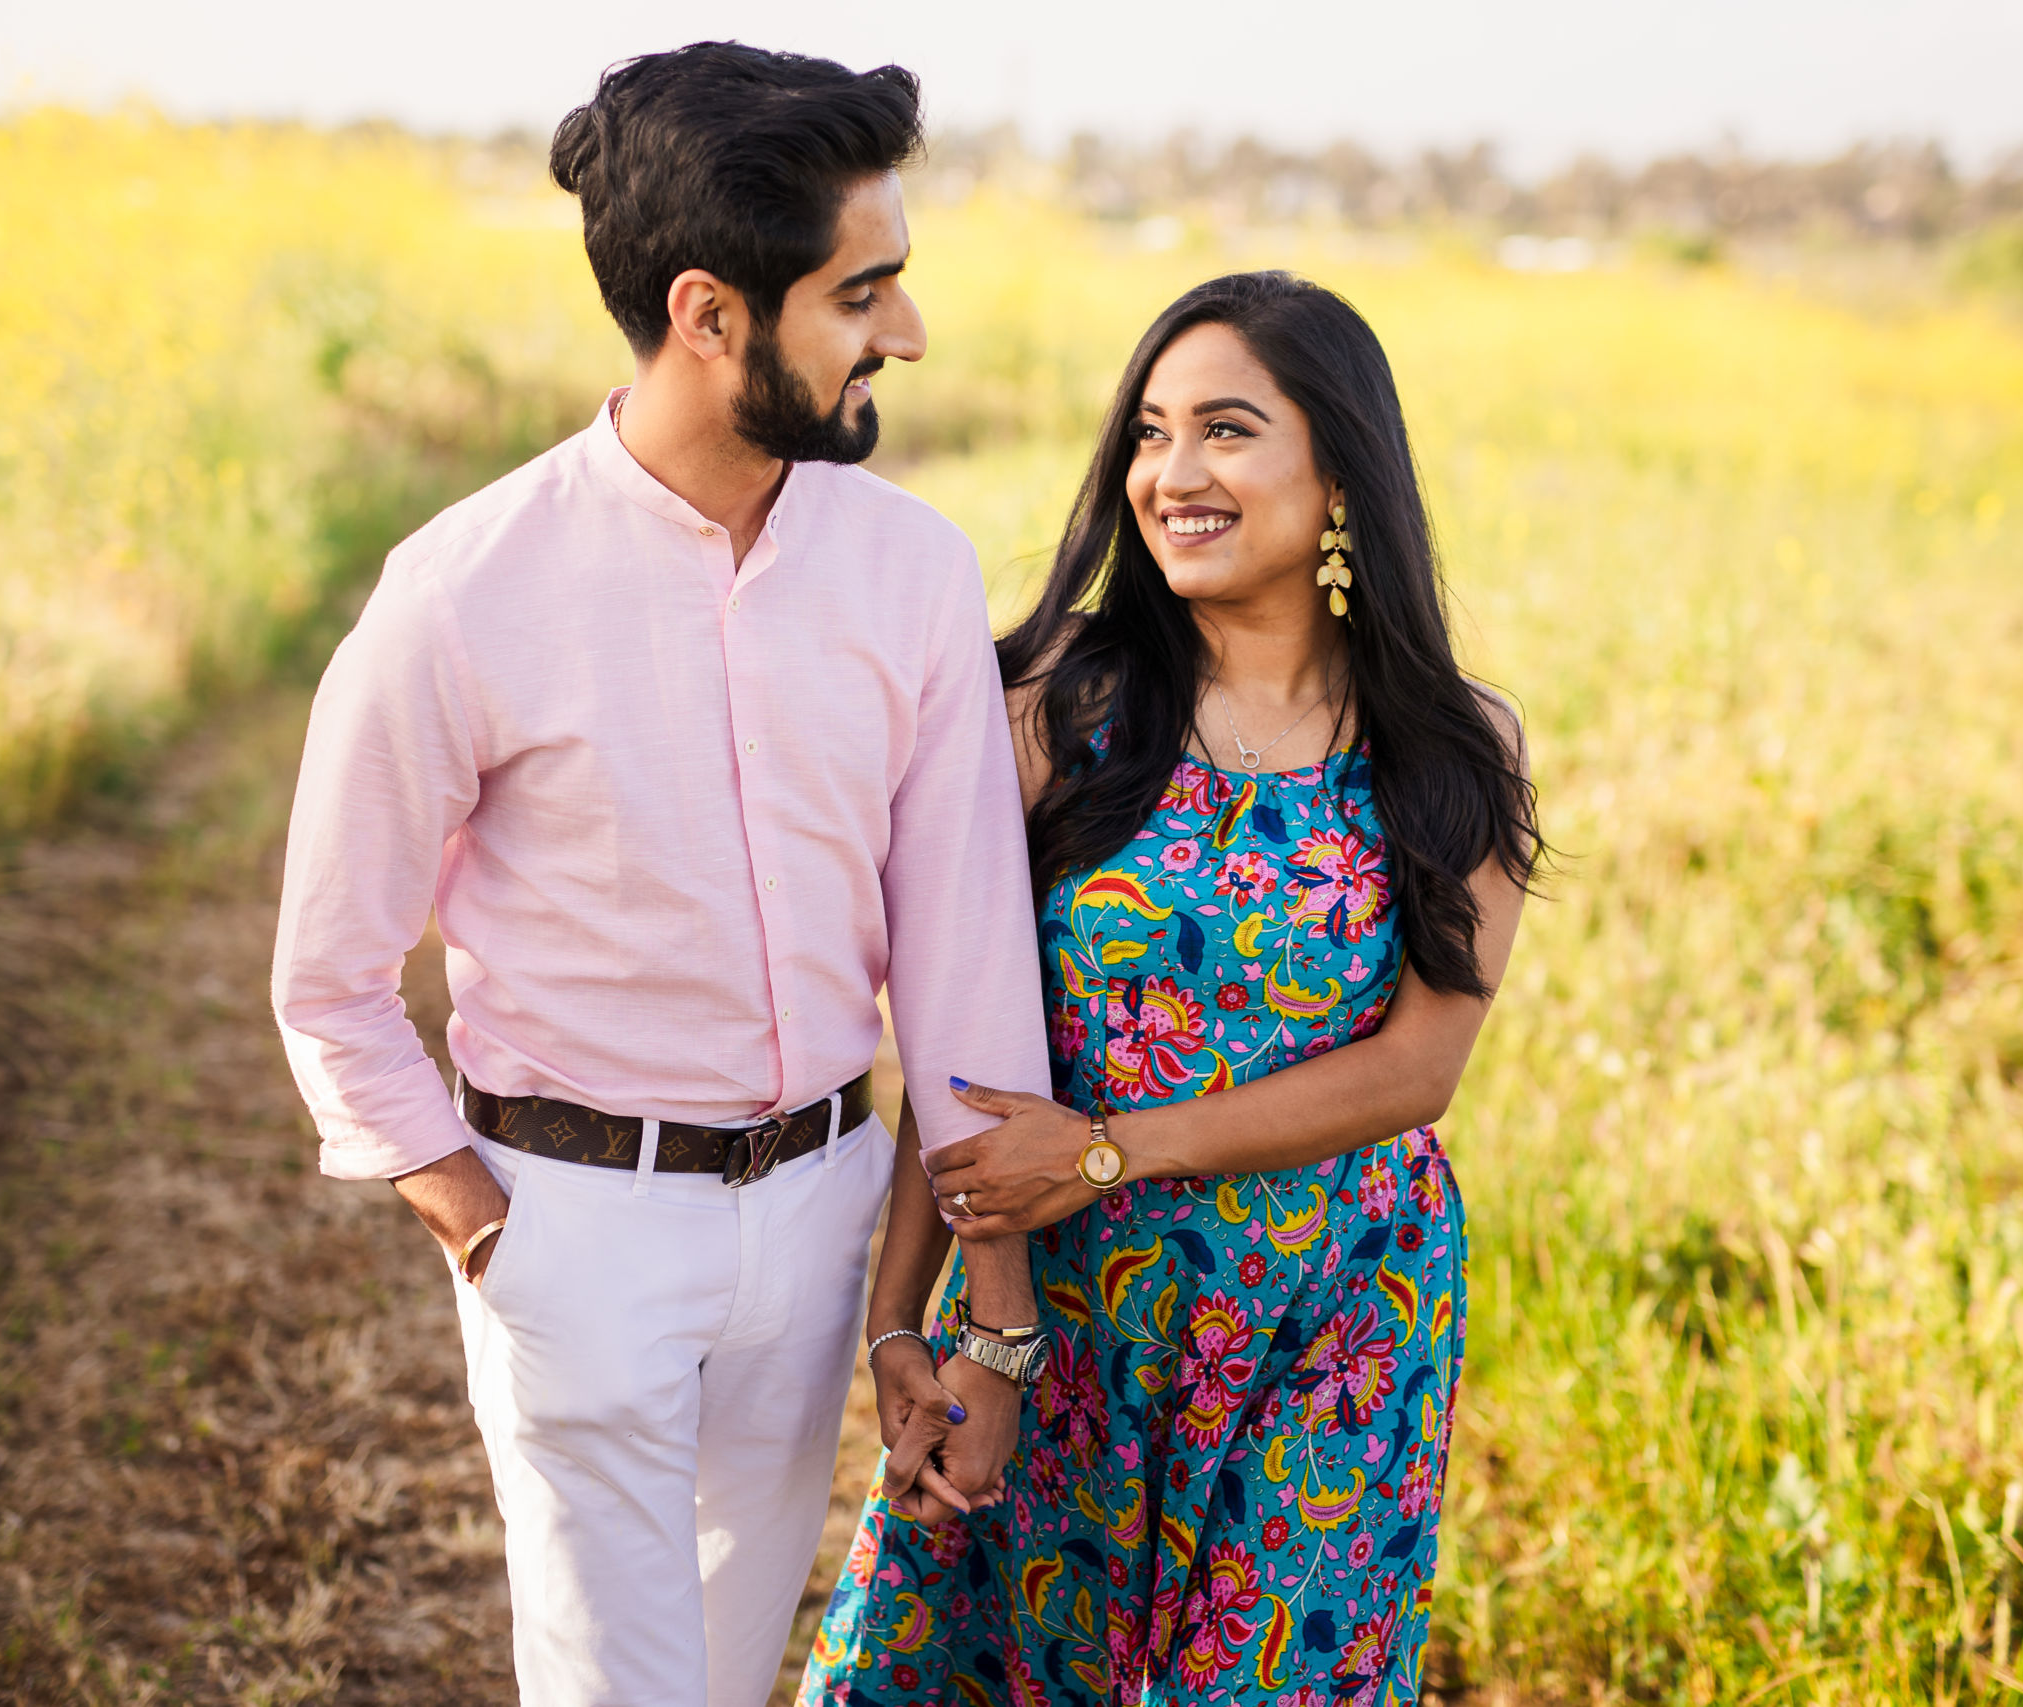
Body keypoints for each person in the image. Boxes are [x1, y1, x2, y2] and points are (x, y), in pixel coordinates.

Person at [269, 42, 1053, 1707]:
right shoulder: (463, 592)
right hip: (576, 1228)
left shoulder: (912, 573)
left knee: (722, 1667)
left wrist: (985, 1321)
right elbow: (330, 974)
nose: (904, 332)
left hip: (826, 1212)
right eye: (865, 293)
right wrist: (483, 1223)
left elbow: (971, 961)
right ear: (710, 313)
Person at [801, 272, 1542, 1707]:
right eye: (1149, 432)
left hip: (1336, 1309)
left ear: (1338, 473)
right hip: (1068, 1310)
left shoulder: (1453, 746)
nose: (1171, 473)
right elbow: (962, 1037)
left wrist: (1105, 1150)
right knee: (1000, 1672)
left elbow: (1416, 1072)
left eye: (1225, 430)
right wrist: (909, 1322)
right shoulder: (1058, 704)